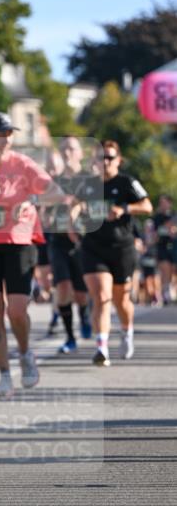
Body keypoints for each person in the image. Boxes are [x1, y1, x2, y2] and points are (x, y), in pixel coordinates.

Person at [0, 112, 72, 398]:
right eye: (0, 134)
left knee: (16, 310)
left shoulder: (23, 164)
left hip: (20, 240)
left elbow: (57, 193)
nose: (6, 139)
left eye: (10, 134)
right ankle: (4, 373)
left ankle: (26, 353)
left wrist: (32, 199)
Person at [80, 140, 152, 365]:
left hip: (122, 248)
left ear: (118, 160)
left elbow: (147, 206)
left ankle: (126, 331)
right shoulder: (87, 184)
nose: (105, 162)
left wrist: (124, 209)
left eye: (109, 157)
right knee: (101, 296)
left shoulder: (127, 182)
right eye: (100, 157)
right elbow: (73, 202)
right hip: (93, 247)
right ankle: (101, 347)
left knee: (121, 301)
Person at [47, 136, 93, 354]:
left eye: (71, 148)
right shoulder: (53, 181)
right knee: (63, 287)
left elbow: (93, 204)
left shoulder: (89, 179)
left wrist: (76, 208)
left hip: (83, 242)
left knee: (81, 293)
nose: (67, 152)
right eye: (63, 148)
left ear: (80, 153)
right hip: (58, 242)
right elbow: (45, 210)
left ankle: (84, 314)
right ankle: (69, 337)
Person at [153, 194, 175, 306]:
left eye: (164, 202)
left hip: (173, 246)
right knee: (165, 270)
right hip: (162, 247)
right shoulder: (157, 217)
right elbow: (154, 235)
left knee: (172, 270)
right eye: (161, 202)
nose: (162, 204)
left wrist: (172, 229)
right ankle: (165, 294)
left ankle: (168, 290)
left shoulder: (173, 215)